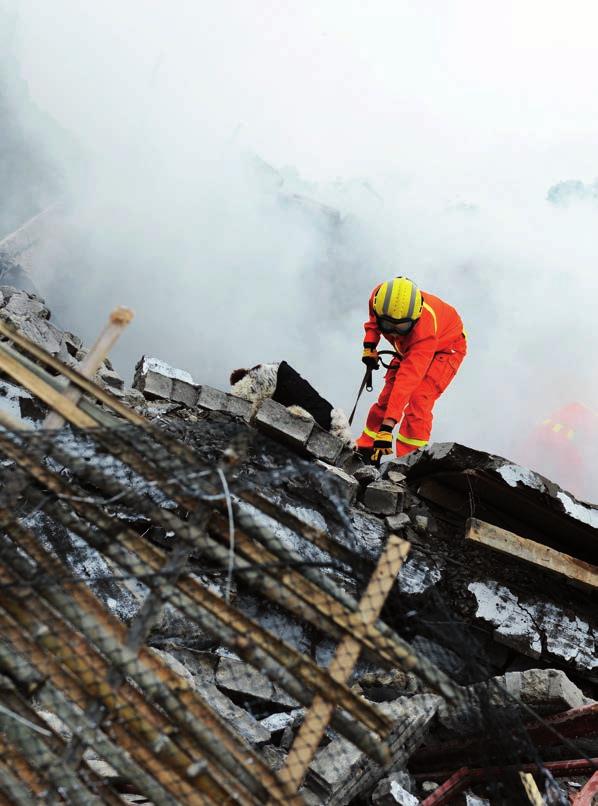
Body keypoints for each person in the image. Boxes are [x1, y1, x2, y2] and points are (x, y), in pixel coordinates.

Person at [356, 276, 466, 465]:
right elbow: (373, 323)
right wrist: (370, 346)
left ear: (413, 320)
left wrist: (387, 427)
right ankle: (367, 449)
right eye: (388, 326)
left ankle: (409, 464)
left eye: (401, 327)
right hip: (407, 346)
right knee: (387, 398)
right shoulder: (379, 298)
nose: (394, 333)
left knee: (418, 402)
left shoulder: (424, 333)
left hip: (445, 349)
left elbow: (407, 380)